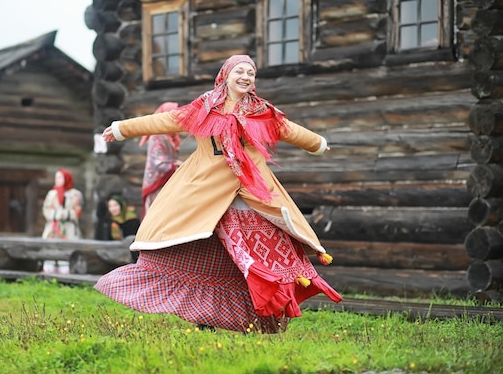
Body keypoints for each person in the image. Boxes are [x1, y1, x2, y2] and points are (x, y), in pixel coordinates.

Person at [95, 54, 342, 333]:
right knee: (197, 247)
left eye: (251, 73)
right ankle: (202, 316)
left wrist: (318, 144)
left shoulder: (262, 111)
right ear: (226, 74)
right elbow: (166, 120)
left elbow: (289, 130)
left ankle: (256, 313)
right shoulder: (204, 107)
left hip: (251, 192)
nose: (246, 77)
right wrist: (120, 129)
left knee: (254, 254)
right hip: (205, 192)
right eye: (240, 71)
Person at [139, 102, 182, 218]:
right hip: (157, 184)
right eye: (173, 115)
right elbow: (157, 163)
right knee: (156, 217)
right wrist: (176, 166)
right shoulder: (157, 136)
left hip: (168, 183)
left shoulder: (172, 135)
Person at [42, 168, 84, 240]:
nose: (57, 180)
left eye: (60, 177)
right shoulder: (51, 194)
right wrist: (56, 214)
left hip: (70, 229)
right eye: (56, 178)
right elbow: (46, 210)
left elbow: (77, 212)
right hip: (53, 230)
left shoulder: (76, 195)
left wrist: (64, 214)